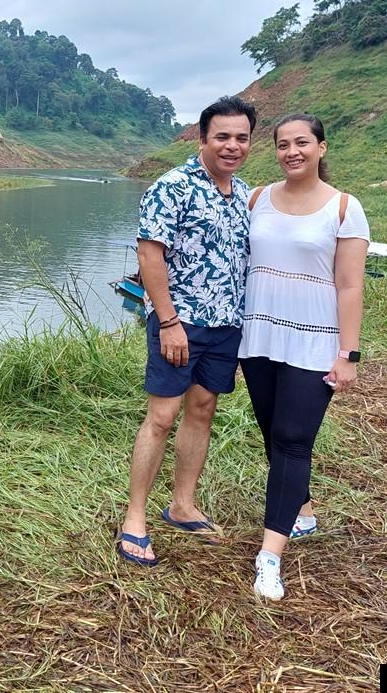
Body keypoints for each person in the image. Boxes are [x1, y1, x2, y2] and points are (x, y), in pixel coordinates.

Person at [117, 95, 256, 567]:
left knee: (203, 409)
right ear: (203, 139)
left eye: (241, 137)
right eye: (222, 136)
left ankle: (182, 506)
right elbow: (149, 255)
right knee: (161, 416)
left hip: (226, 326)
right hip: (182, 324)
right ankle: (134, 519)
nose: (231, 146)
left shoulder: (244, 194)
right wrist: (169, 322)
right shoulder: (171, 187)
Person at [238, 113, 369, 600]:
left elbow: (350, 285)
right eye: (282, 144)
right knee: (273, 432)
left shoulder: (343, 208)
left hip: (314, 340)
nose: (292, 151)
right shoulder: (256, 200)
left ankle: (269, 556)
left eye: (302, 143)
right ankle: (303, 512)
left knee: (294, 439)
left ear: (321, 148)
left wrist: (348, 353)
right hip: (259, 336)